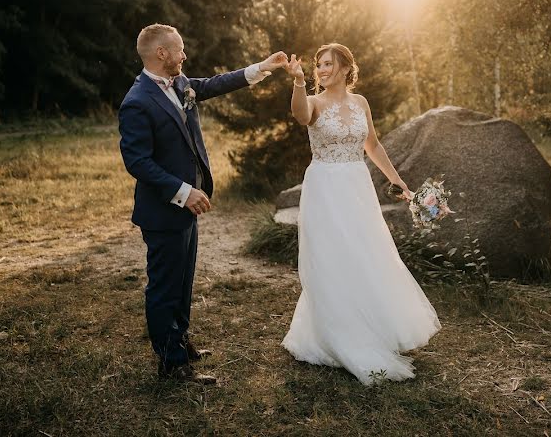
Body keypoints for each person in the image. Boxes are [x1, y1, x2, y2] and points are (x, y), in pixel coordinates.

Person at [118, 23, 287, 384]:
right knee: (164, 286)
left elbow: (214, 83)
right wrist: (183, 191)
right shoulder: (136, 102)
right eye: (179, 49)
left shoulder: (180, 84)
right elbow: (137, 162)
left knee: (183, 281)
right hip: (165, 209)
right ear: (161, 53)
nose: (184, 55)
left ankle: (179, 340)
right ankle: (172, 364)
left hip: (187, 208)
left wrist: (263, 67)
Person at [281, 43, 441, 385]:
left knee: (367, 254)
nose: (321, 69)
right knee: (330, 259)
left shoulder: (360, 103)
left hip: (357, 186)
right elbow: (299, 115)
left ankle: (373, 328)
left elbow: (373, 145)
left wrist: (398, 182)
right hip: (325, 187)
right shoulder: (313, 102)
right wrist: (297, 82)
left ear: (344, 67)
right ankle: (336, 335)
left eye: (328, 63)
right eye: (318, 65)